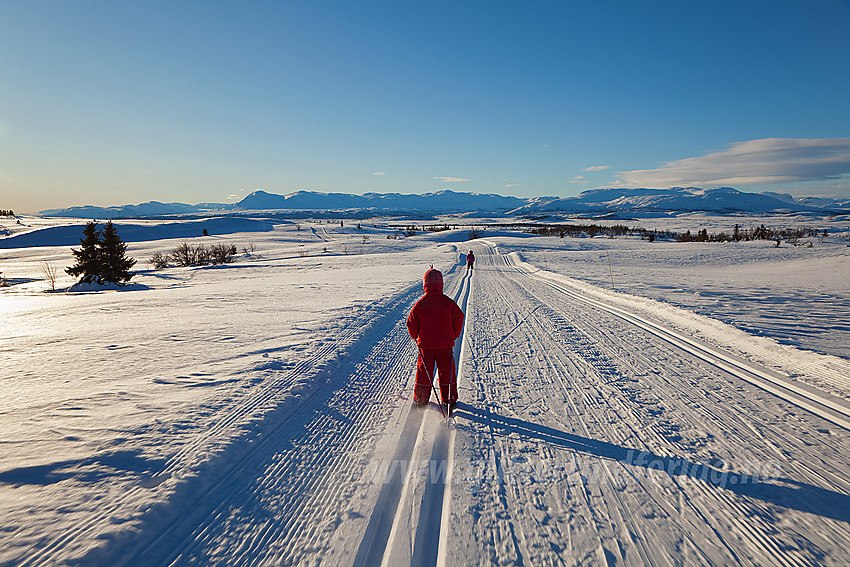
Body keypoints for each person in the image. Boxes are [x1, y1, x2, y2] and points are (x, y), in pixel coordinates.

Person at [407, 266, 464, 409]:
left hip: (426, 346)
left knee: (424, 371)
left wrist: (415, 336)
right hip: (445, 345)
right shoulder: (448, 303)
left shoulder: (421, 304)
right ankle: (449, 399)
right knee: (447, 371)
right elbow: (459, 317)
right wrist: (455, 334)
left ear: (425, 285)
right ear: (441, 284)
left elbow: (411, 322)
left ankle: (421, 398)